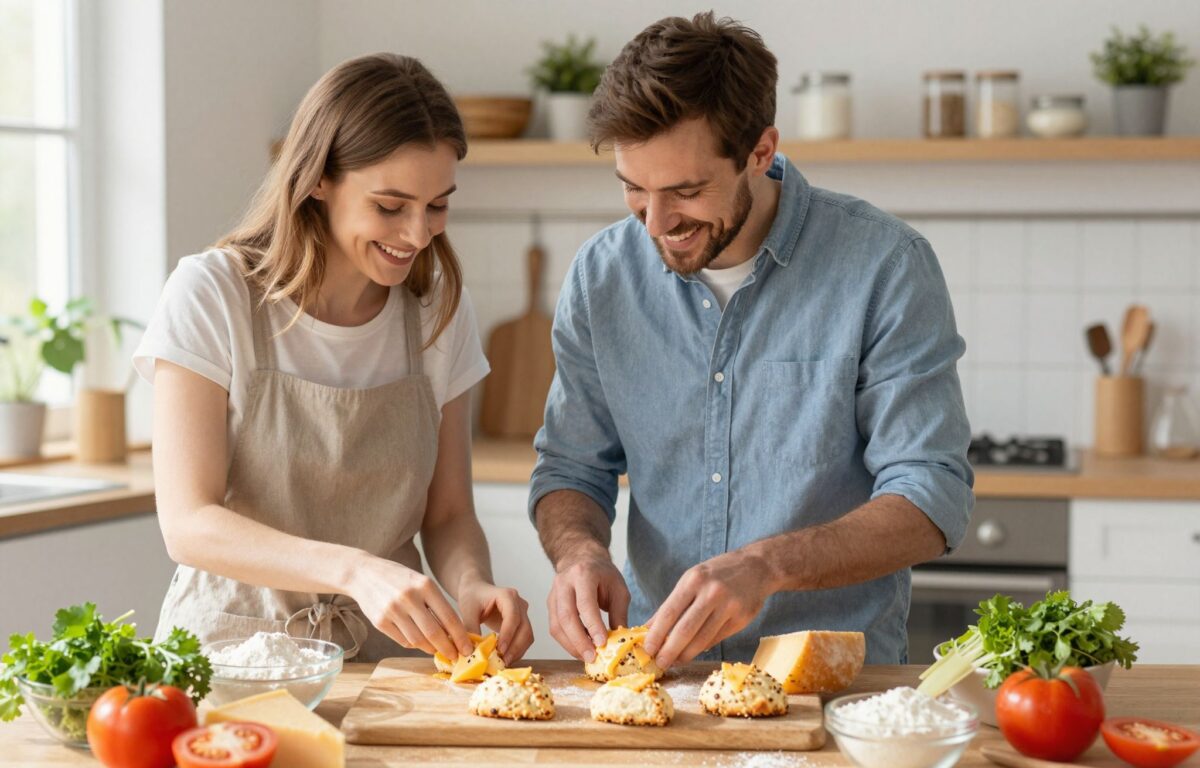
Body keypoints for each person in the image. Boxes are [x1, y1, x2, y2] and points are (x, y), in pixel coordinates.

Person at [529, 13, 973, 669]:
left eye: (685, 191)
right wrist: (580, 554)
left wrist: (768, 565)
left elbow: (932, 495)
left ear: (761, 151)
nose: (656, 222)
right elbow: (571, 469)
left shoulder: (884, 266)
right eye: (633, 189)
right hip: (663, 673)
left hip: (834, 677)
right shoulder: (602, 276)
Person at [135, 54, 533, 664]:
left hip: (384, 665)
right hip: (229, 658)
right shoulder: (214, 294)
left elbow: (449, 512)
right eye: (390, 206)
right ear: (319, 178)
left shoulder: (436, 311)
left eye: (438, 205)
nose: (419, 234)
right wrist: (353, 571)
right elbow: (188, 523)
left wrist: (471, 581)